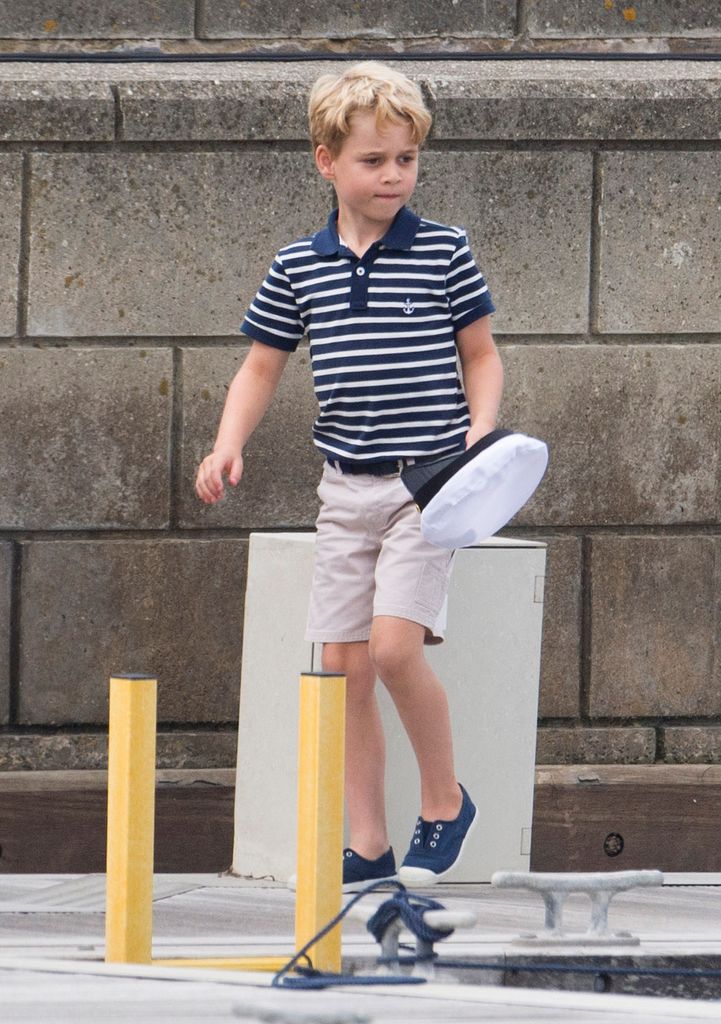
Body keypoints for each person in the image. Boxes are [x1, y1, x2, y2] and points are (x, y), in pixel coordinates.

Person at [196, 61, 504, 889]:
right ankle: (366, 844)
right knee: (341, 669)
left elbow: (480, 355)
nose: (393, 175)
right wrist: (227, 444)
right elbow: (260, 368)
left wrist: (478, 435)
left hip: (426, 484)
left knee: (396, 650)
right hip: (345, 488)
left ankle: (444, 800)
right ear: (326, 161)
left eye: (405, 158)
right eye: (374, 161)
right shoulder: (300, 264)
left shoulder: (443, 248)